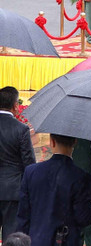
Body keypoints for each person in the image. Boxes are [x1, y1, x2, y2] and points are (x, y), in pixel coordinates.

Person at [16, 134, 91, 246]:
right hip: (66, 240)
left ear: (51, 142)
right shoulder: (80, 176)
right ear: (75, 142)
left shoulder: (31, 172)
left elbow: (23, 216)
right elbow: (83, 218)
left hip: (35, 240)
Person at [0, 87, 35, 241]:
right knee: (11, 236)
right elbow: (29, 163)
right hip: (13, 190)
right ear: (16, 106)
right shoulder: (21, 129)